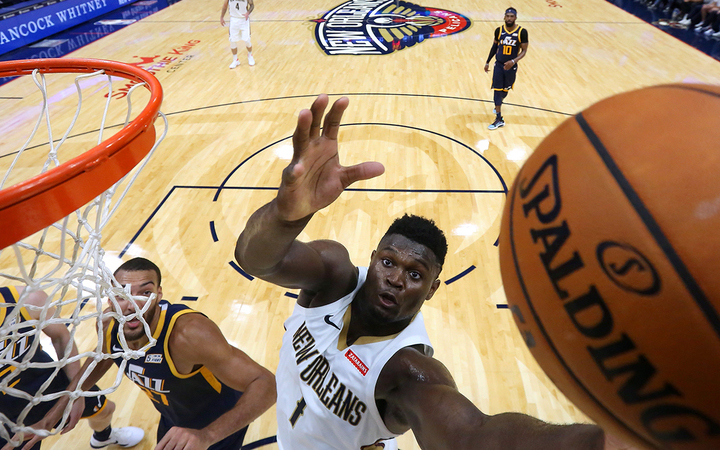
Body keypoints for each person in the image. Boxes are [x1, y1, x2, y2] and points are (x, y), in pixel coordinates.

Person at [234, 94, 635, 449]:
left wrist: (603, 444)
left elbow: (473, 437)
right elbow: (256, 260)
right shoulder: (333, 276)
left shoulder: (408, 370)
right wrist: (284, 217)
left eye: (414, 274)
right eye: (388, 262)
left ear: (431, 289)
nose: (395, 278)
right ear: (372, 258)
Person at [16, 257, 276, 450]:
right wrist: (60, 408)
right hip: (173, 418)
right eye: (122, 295)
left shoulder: (188, 334)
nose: (132, 305)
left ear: (159, 294)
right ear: (110, 299)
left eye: (145, 293)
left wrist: (207, 436)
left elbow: (266, 384)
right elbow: (102, 357)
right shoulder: (110, 324)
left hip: (216, 425)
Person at [0, 285, 144, 450]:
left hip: (43, 382)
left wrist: (76, 391)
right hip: (5, 411)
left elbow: (61, 337)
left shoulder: (27, 298)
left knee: (105, 410)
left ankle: (103, 437)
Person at [484, 7, 529, 130]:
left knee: (505, 90)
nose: (509, 18)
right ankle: (499, 118)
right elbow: (494, 47)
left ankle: (499, 103)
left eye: (511, 16)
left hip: (511, 67)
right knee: (497, 90)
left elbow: (524, 51)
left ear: (515, 18)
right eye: (507, 16)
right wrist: (487, 62)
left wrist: (513, 61)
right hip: (499, 65)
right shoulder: (499, 31)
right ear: (504, 17)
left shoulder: (522, 32)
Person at [220, 0, 255, 68]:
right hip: (234, 19)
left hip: (244, 19)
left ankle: (250, 55)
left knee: (247, 40)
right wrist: (222, 17)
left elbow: (252, 5)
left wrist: (248, 13)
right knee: (232, 41)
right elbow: (225, 6)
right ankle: (235, 60)